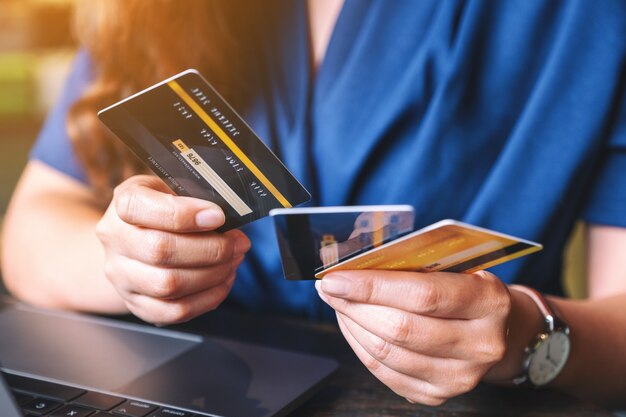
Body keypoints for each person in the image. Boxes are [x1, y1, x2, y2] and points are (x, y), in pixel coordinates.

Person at [2, 0, 626, 408]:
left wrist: (525, 337)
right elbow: (34, 221)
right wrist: (131, 267)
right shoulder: (152, 9)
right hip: (182, 387)